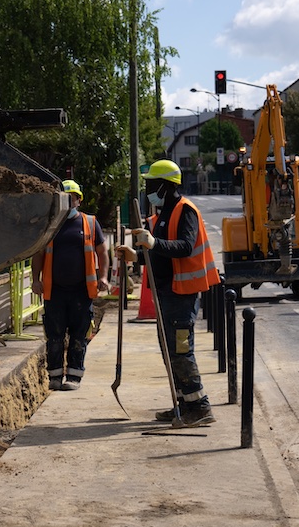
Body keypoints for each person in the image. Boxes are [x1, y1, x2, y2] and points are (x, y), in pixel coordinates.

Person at [117, 159, 221, 428]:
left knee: (181, 351)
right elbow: (159, 255)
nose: (148, 188)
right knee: (170, 351)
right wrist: (137, 255)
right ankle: (183, 404)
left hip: (182, 294)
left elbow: (185, 246)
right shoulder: (162, 214)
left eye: (151, 183)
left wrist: (154, 242)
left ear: (165, 186)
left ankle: (199, 407)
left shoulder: (186, 211)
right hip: (167, 292)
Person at [31, 179, 110, 391]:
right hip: (54, 292)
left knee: (78, 335)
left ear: (78, 200)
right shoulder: (50, 225)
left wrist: (103, 277)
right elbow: (38, 254)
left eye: (71, 198)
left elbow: (102, 253)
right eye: (63, 198)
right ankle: (54, 377)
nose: (67, 202)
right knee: (54, 337)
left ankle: (74, 377)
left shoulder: (90, 223)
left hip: (81, 292)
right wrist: (35, 280)